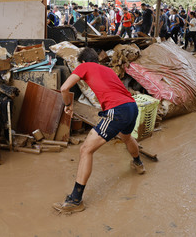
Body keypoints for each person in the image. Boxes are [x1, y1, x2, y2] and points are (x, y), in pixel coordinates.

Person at [53, 47, 145, 214]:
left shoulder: (84, 66)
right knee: (126, 137)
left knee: (86, 150)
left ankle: (75, 200)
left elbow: (64, 88)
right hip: (131, 107)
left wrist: (68, 105)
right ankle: (138, 164)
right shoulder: (107, 69)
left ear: (82, 61)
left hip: (116, 111)